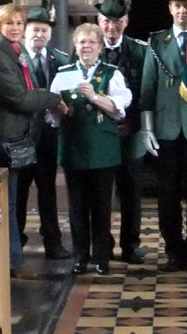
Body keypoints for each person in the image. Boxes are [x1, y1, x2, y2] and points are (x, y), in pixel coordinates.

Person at [0, 3, 64, 280]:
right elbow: (19, 98)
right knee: (8, 204)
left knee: (11, 203)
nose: (15, 28)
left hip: (15, 137)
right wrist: (54, 98)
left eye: (18, 23)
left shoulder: (11, 52)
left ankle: (13, 259)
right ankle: (12, 262)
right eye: (9, 24)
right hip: (3, 141)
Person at [139, 0, 187, 272]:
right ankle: (172, 248)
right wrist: (146, 127)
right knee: (167, 193)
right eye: (178, 5)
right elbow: (147, 87)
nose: (183, 11)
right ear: (170, 9)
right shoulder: (157, 42)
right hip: (166, 127)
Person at [50, 23, 132, 276]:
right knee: (76, 207)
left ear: (99, 47)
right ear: (76, 46)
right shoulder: (64, 73)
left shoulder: (111, 73)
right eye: (82, 42)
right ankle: (80, 256)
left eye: (91, 42)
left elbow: (120, 108)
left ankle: (101, 257)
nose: (86, 47)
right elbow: (52, 115)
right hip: (74, 147)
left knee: (100, 206)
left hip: (102, 150)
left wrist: (95, 96)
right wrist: (58, 109)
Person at [96, 0, 148, 264]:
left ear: (126, 22)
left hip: (133, 131)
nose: (111, 28)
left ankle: (131, 245)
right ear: (98, 21)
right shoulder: (89, 49)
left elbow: (146, 90)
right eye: (106, 22)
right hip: (100, 132)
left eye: (117, 22)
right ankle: (103, 245)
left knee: (131, 192)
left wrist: (134, 122)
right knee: (102, 192)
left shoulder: (140, 51)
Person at [14, 5, 72, 260]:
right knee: (19, 191)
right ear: (25, 32)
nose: (39, 34)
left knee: (47, 190)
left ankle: (53, 242)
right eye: (35, 29)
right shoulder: (14, 59)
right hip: (22, 136)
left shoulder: (59, 60)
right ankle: (16, 244)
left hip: (49, 137)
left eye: (44, 30)